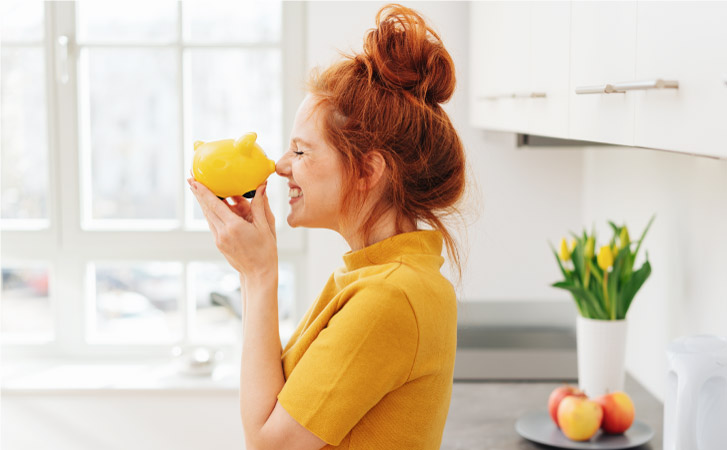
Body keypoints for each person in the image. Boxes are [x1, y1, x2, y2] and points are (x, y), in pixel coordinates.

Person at [189, 4, 467, 449]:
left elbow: (269, 444)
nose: (281, 166)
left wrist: (258, 275)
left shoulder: (388, 297)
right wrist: (253, 270)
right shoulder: (375, 277)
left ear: (366, 171)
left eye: (300, 152)